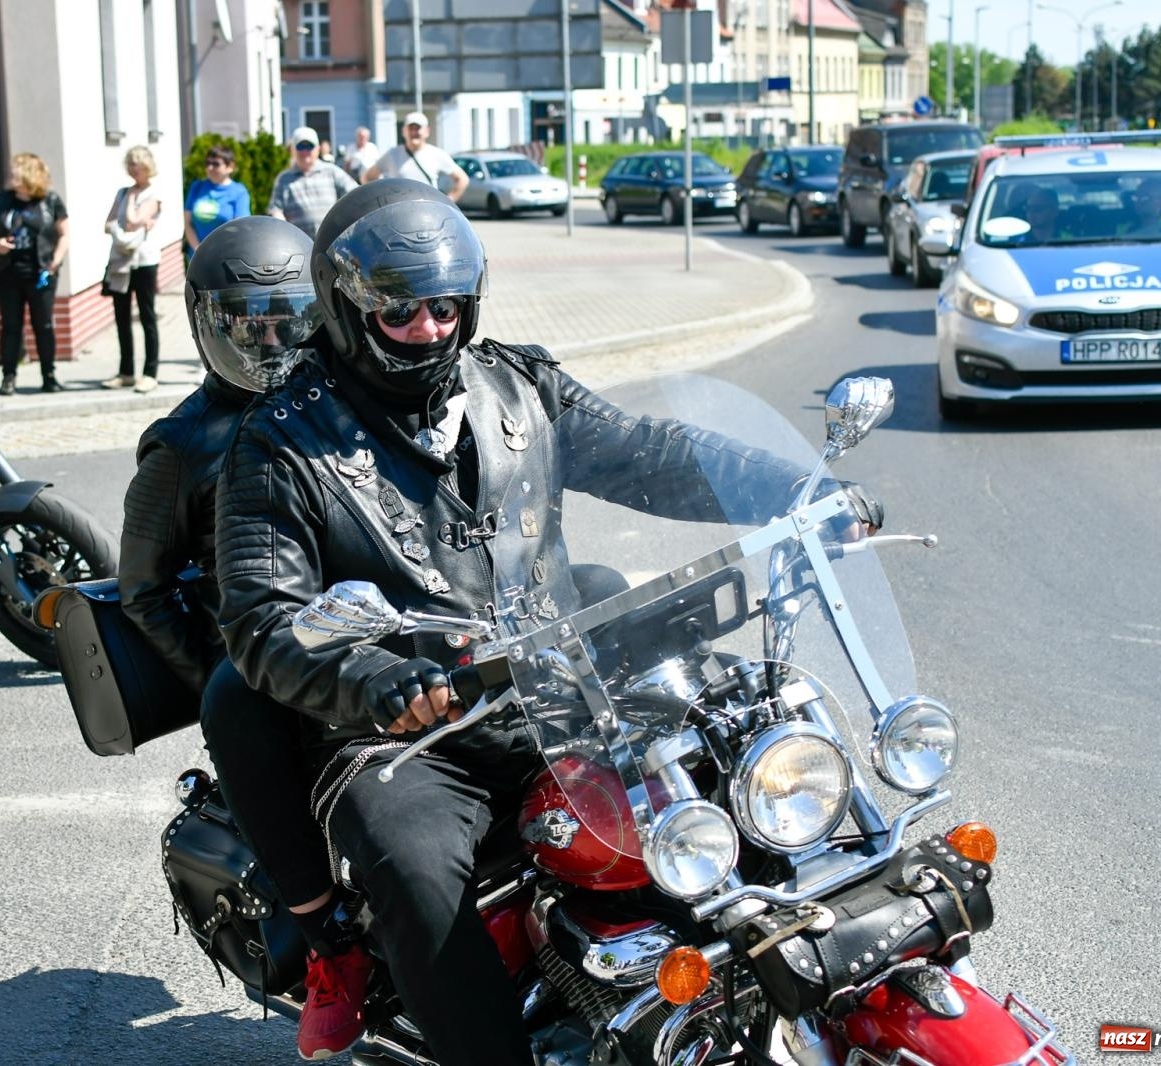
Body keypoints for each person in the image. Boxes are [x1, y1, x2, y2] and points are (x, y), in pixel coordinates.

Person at [213, 181, 882, 1066]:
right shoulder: (280, 443)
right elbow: (264, 618)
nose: (429, 328)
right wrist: (379, 679)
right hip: (406, 734)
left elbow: (649, 453)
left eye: (445, 305)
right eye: (399, 311)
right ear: (345, 309)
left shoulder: (516, 386)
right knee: (417, 873)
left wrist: (797, 490)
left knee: (742, 746)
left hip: (560, 687)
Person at [118, 216, 369, 1058]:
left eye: (289, 321)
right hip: (268, 660)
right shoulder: (181, 445)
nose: (269, 343)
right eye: (246, 324)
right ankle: (330, 950)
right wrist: (224, 680)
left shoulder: (339, 397)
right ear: (205, 324)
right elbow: (144, 590)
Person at [0, 152, 69, 396]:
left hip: (41, 272)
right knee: (11, 326)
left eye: (15, 171)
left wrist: (55, 261)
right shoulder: (4, 200)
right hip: (9, 271)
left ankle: (49, 375)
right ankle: (9, 377)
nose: (11, 175)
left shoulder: (50, 200)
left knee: (43, 325)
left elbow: (64, 233)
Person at [102, 145, 163, 394]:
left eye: (137, 165)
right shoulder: (122, 192)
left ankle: (150, 373)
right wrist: (128, 204)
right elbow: (108, 224)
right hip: (121, 262)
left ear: (147, 167)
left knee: (147, 315)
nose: (133, 169)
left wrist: (130, 211)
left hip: (144, 261)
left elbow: (131, 221)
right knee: (121, 317)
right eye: (130, 164)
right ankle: (126, 372)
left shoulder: (154, 193)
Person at [267, 126, 358, 238]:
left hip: (331, 242)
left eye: (309, 146)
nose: (305, 151)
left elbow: (355, 195)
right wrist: (283, 228)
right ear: (293, 150)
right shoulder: (283, 179)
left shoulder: (332, 172)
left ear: (318, 149)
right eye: (300, 146)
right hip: (298, 244)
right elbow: (275, 209)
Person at [360, 112, 468, 203]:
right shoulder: (392, 154)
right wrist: (380, 200)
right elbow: (367, 177)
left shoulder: (437, 154)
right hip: (399, 213)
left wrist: (448, 202)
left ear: (427, 131)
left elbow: (462, 179)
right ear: (403, 131)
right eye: (410, 128)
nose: (414, 132)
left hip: (428, 213)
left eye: (418, 128)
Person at [183, 145, 250, 255]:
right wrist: (198, 250)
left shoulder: (239, 192)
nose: (210, 168)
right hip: (197, 256)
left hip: (225, 255)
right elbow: (188, 222)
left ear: (230, 167)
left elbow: (241, 227)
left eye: (216, 164)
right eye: (207, 163)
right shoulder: (197, 187)